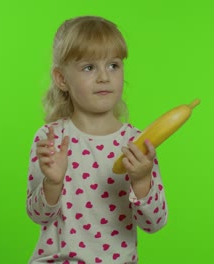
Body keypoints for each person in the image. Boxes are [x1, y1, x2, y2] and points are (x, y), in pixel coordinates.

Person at [26, 16, 168, 263]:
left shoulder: (138, 143)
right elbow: (38, 215)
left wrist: (142, 180)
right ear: (61, 79)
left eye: (113, 65)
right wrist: (52, 182)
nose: (104, 77)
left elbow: (154, 224)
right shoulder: (51, 139)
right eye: (89, 67)